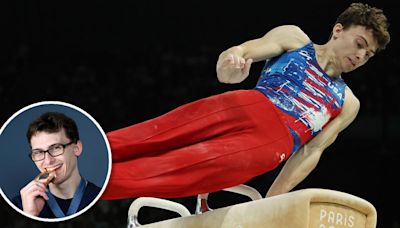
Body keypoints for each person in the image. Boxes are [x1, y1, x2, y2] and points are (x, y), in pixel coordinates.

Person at [100, 3, 390, 200]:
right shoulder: (294, 38)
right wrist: (232, 64)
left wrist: (272, 203)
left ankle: (91, 184)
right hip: (246, 105)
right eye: (360, 44)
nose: (361, 56)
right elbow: (237, 57)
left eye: (369, 54)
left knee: (180, 169)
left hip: (270, 146)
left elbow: (309, 153)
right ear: (338, 30)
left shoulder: (347, 102)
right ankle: (81, 147)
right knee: (158, 133)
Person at [11, 112, 101, 218]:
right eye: (38, 152)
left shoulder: (103, 200)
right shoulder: (19, 206)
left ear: (77, 149)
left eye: (56, 148)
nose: (48, 161)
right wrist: (30, 216)